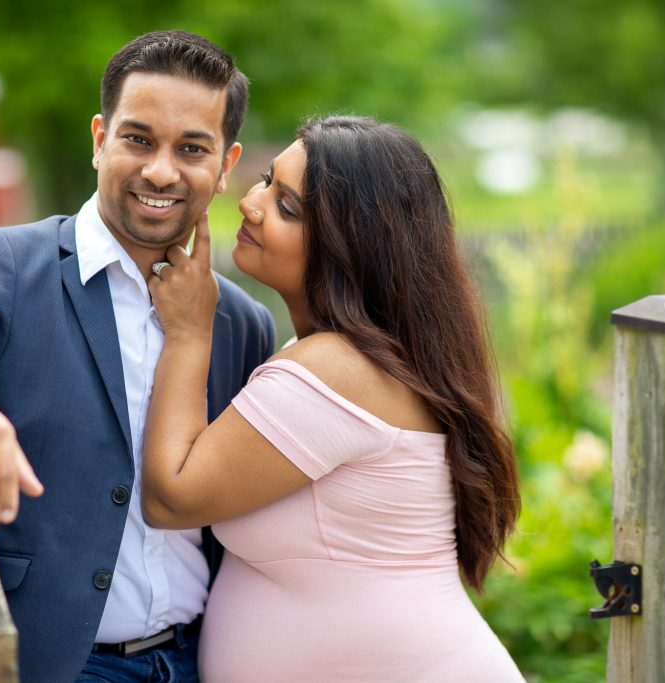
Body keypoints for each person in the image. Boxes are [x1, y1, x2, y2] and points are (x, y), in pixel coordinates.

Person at [0, 31, 275, 682]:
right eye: (138, 139)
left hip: (205, 659)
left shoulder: (244, 324)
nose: (161, 170)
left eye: (191, 148)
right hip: (55, 663)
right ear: (100, 137)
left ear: (225, 164)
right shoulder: (8, 266)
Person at [142, 115, 523, 682]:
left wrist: (190, 332)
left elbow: (172, 498)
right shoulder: (357, 358)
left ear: (352, 248)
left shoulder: (334, 370)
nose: (251, 203)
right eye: (267, 180)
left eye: (288, 207)